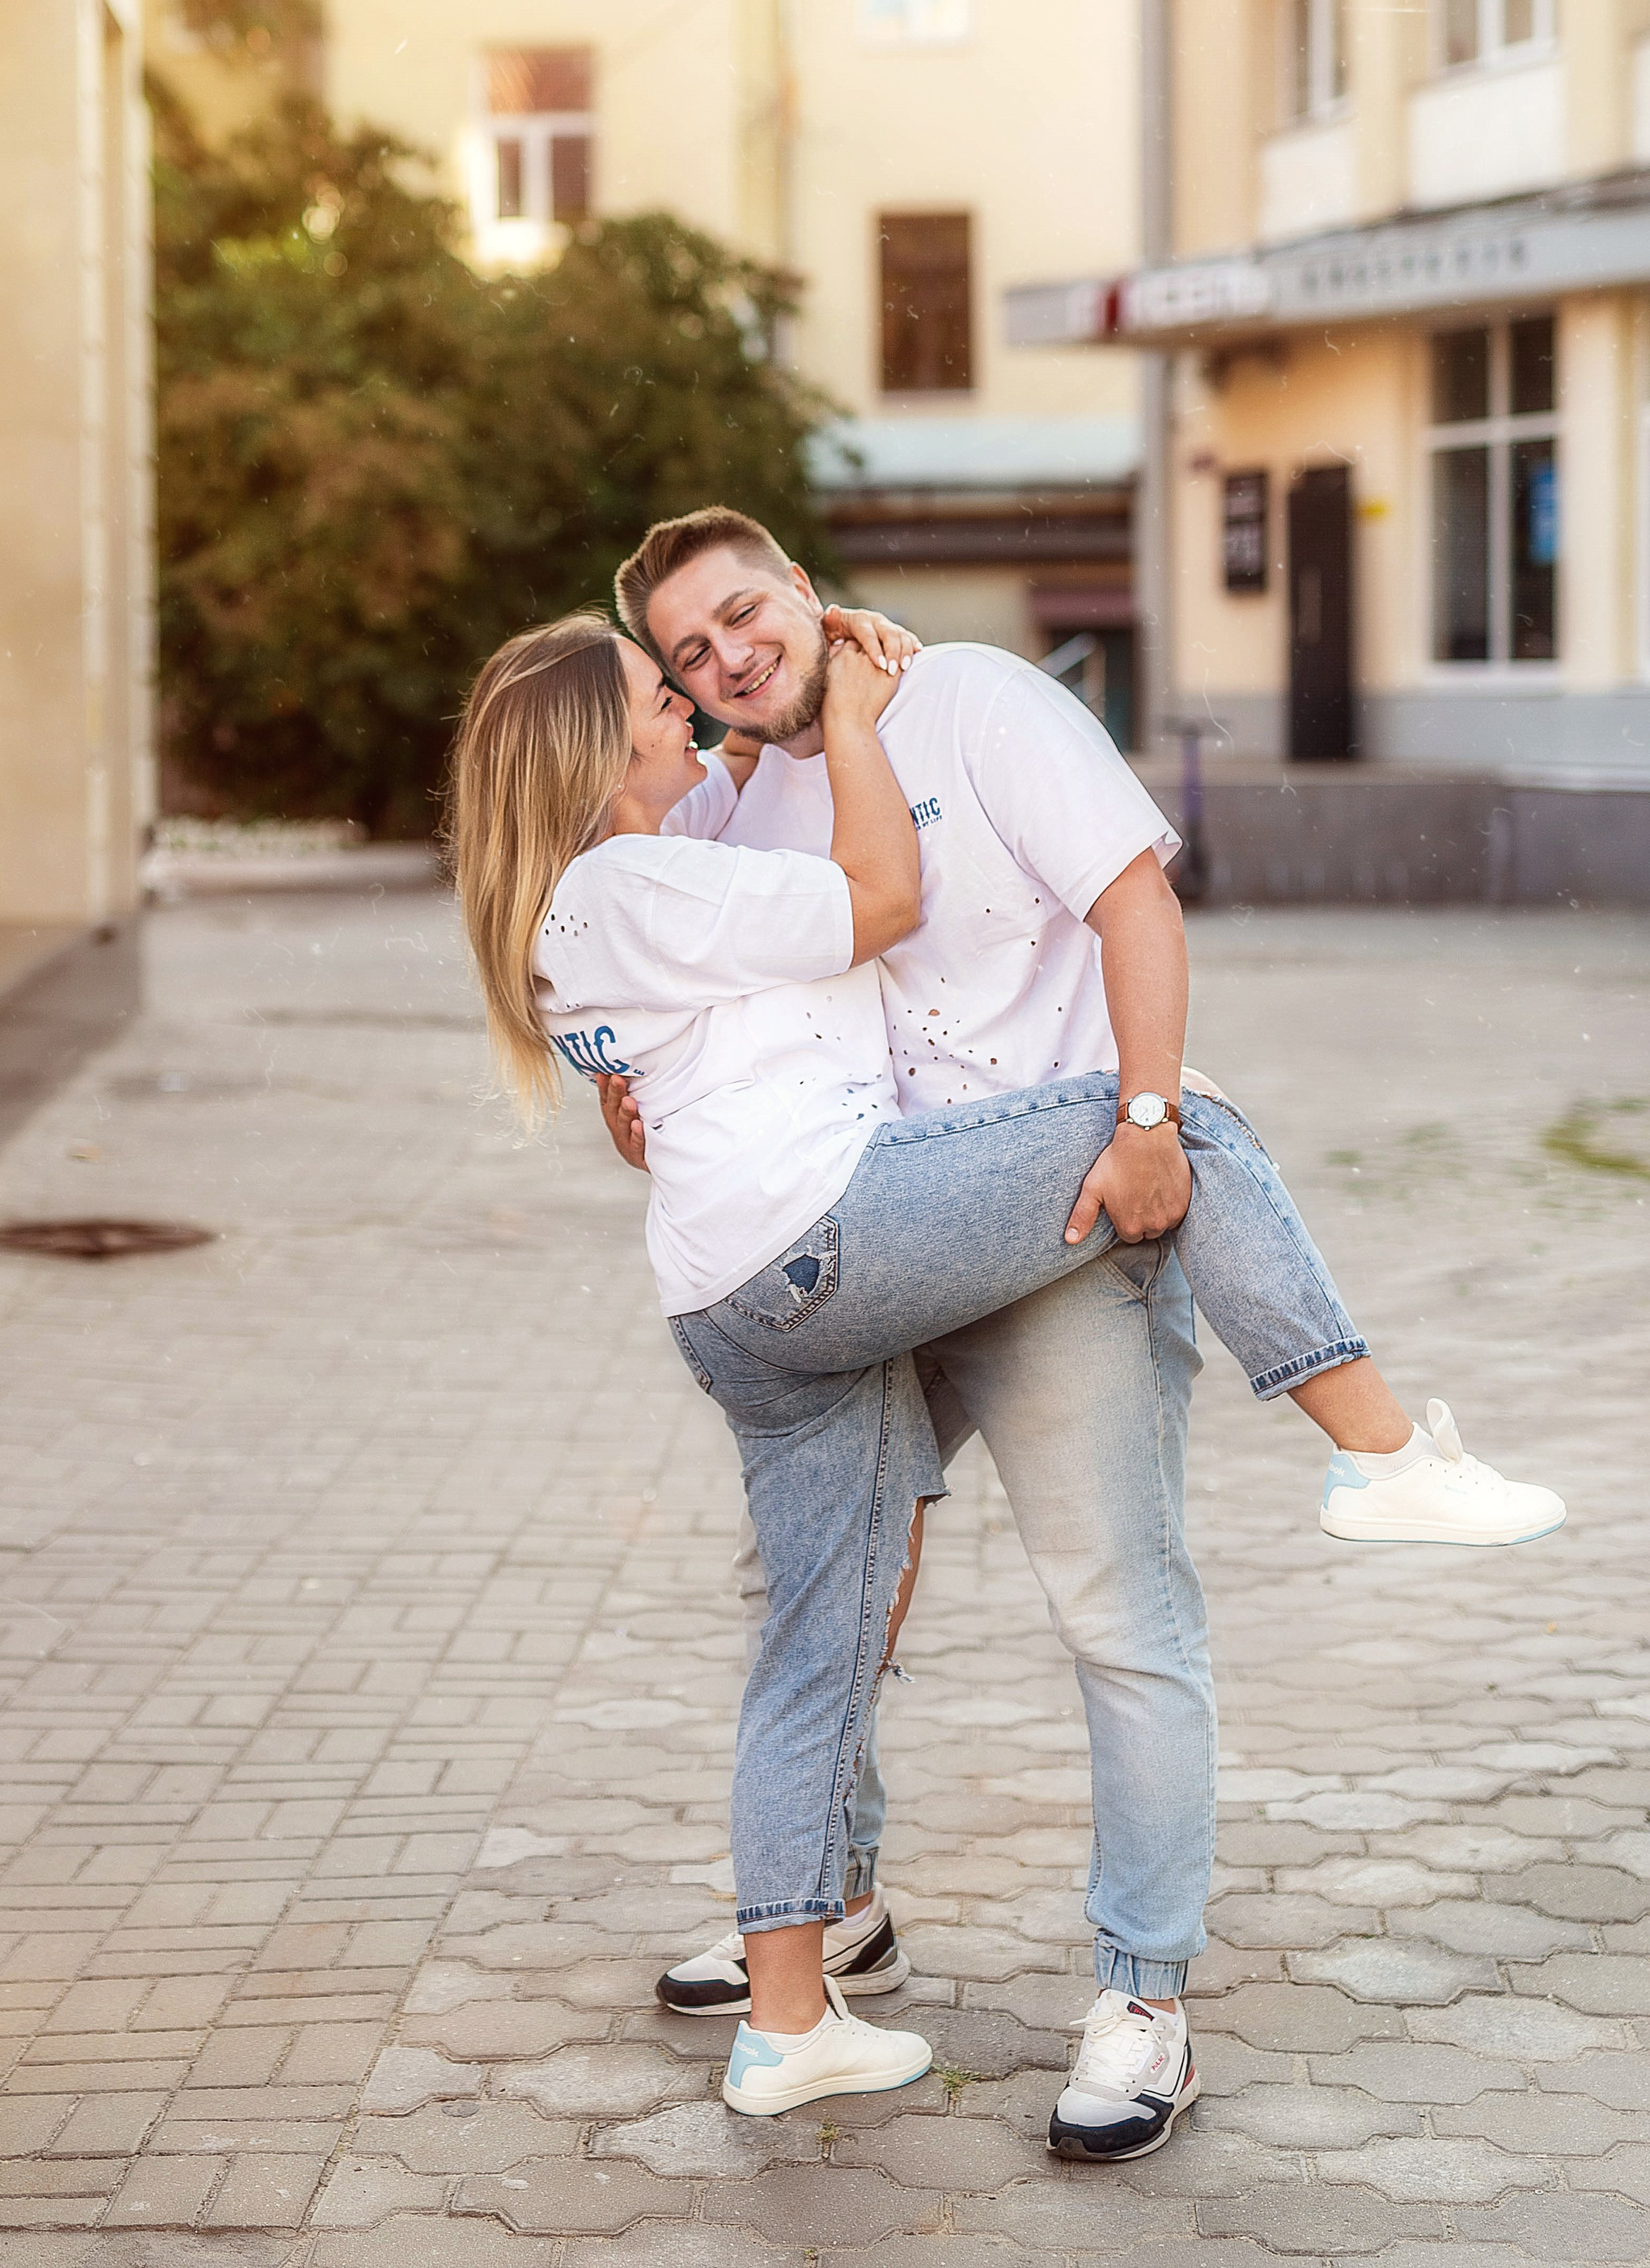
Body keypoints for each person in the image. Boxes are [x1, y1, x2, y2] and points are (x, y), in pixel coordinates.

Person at [448, 600, 1562, 2149]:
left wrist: (848, 695)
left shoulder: (611, 874)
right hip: (834, 1241)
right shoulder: (634, 868)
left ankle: (793, 2017)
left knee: (813, 1645)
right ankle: (1380, 1453)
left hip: (732, 1296)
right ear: (608, 738)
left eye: (710, 655)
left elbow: (677, 1002)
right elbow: (880, 893)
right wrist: (847, 717)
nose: (692, 703)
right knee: (1180, 1116)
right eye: (661, 684)